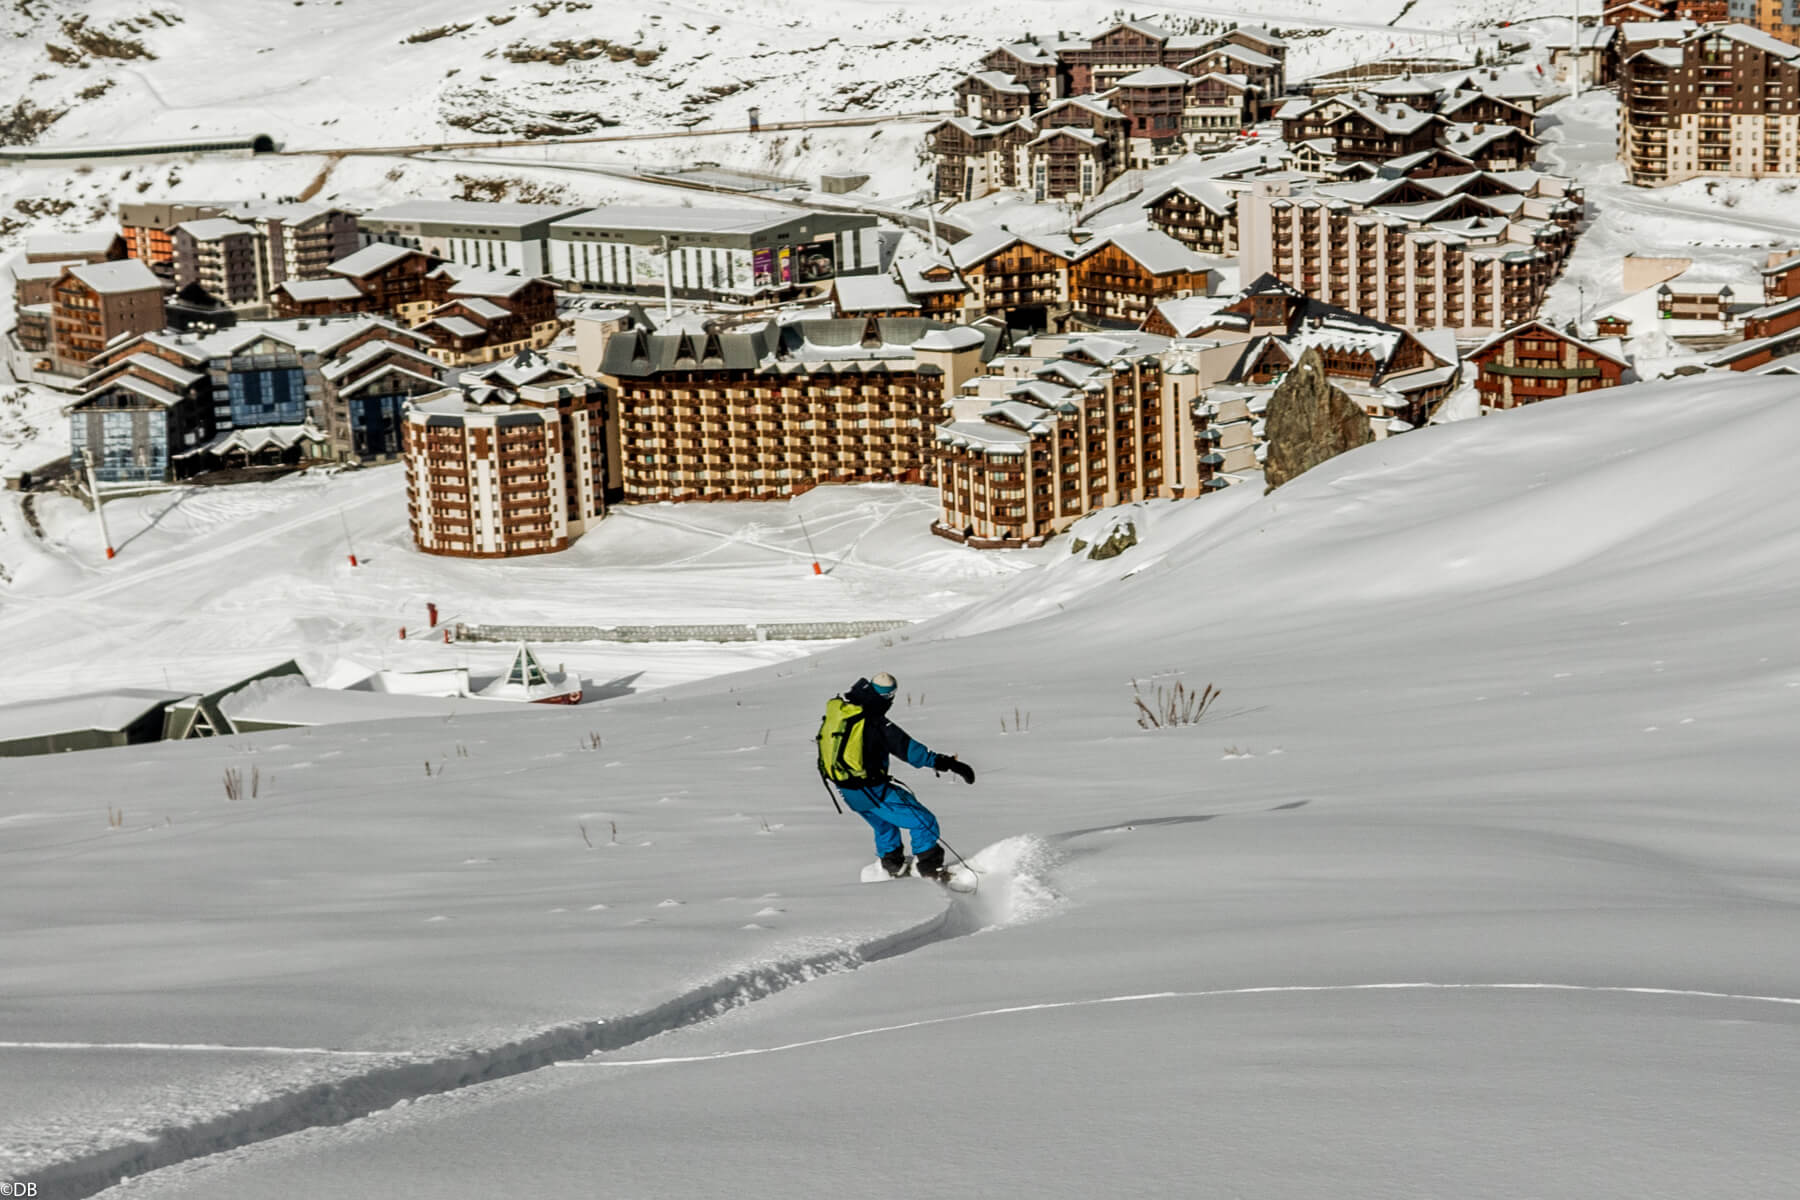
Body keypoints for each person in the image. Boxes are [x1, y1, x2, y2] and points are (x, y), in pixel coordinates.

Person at [825, 672, 975, 881]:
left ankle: (892, 868)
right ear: (889, 696)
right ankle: (931, 872)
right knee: (924, 821)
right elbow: (911, 751)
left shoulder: (844, 712)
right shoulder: (875, 722)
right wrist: (949, 764)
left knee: (884, 826)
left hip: (848, 790)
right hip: (873, 789)